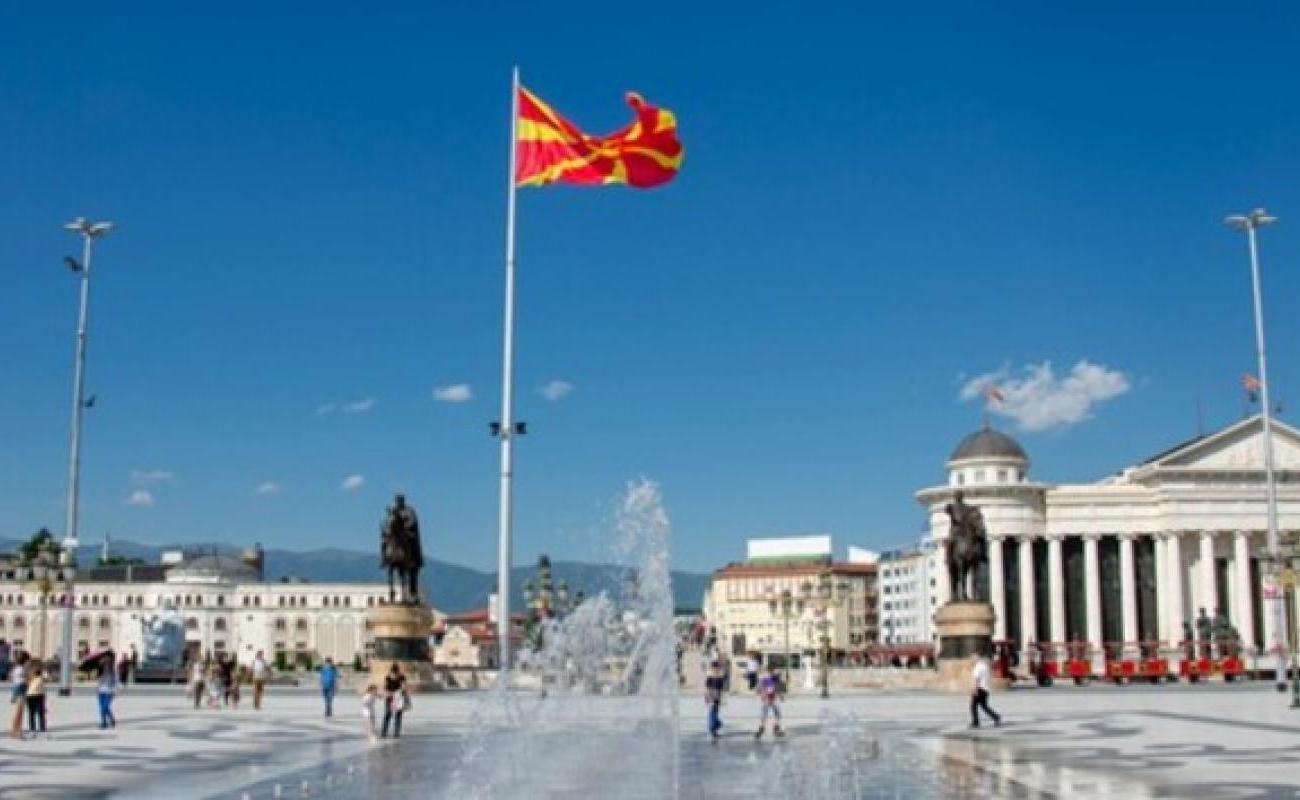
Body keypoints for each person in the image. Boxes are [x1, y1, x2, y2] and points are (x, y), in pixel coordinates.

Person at [970, 653, 1001, 729]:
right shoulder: (985, 666)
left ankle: (975, 722)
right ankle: (996, 717)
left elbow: (976, 679)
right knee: (984, 706)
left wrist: (975, 689)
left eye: (972, 659)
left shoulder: (977, 667)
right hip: (986, 689)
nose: (972, 660)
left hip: (980, 689)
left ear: (976, 659)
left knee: (973, 706)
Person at [754, 665, 785, 739]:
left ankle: (776, 728)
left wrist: (781, 696)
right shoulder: (766, 679)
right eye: (777, 671)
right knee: (764, 714)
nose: (778, 673)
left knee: (778, 714)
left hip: (774, 699)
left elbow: (778, 689)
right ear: (772, 671)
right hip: (767, 699)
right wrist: (763, 693)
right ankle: (762, 728)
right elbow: (759, 688)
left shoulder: (777, 679)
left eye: (779, 672)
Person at [380, 664, 407, 738]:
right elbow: (384, 687)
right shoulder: (388, 677)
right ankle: (384, 732)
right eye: (393, 672)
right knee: (388, 714)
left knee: (397, 715)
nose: (394, 674)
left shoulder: (402, 677)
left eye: (395, 672)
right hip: (390, 698)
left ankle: (396, 733)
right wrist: (387, 693)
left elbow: (403, 687)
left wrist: (395, 693)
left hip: (398, 698)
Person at [8, 651, 28, 739]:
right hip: (20, 689)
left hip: (20, 689)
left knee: (19, 712)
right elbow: (20, 683)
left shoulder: (17, 668)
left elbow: (13, 679)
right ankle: (16, 731)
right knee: (19, 713)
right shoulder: (21, 669)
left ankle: (16, 730)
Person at [704, 660, 725, 740]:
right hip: (712, 695)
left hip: (717, 696)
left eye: (717, 668)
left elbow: (721, 689)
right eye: (715, 667)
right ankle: (713, 728)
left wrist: (721, 698)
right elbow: (707, 688)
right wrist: (707, 697)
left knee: (715, 711)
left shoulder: (720, 677)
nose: (716, 669)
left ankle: (714, 729)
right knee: (712, 712)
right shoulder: (710, 677)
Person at [97, 653, 118, 729]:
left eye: (107, 659)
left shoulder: (113, 669)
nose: (106, 660)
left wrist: (115, 689)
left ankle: (110, 719)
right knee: (102, 707)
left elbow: (116, 680)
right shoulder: (100, 669)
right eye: (105, 659)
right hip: (101, 690)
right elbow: (99, 680)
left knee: (105, 707)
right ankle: (104, 722)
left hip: (110, 691)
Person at [26, 665, 47, 736]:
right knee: (40, 713)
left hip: (31, 695)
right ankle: (41, 727)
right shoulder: (41, 678)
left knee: (32, 713)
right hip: (38, 695)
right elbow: (47, 677)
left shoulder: (32, 679)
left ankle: (33, 728)